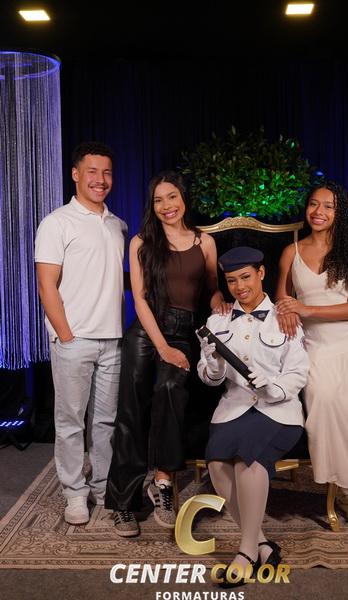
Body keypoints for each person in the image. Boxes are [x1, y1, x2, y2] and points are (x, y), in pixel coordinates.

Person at [105, 169, 230, 537]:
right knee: (131, 410)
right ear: (152, 205)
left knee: (171, 389)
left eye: (172, 197)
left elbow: (211, 288)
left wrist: (219, 298)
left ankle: (162, 483)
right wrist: (162, 346)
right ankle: (123, 504)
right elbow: (140, 299)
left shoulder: (205, 242)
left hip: (183, 329)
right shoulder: (141, 242)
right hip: (147, 330)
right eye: (158, 200)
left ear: (183, 198)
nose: (166, 205)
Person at [197, 246, 309, 588]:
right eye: (231, 280)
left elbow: (298, 373)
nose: (239, 286)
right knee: (217, 462)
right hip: (233, 408)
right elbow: (209, 378)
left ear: (261, 273)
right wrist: (214, 364)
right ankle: (262, 543)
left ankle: (245, 552)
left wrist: (272, 387)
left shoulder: (284, 317)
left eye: (246, 277)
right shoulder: (216, 322)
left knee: (249, 458)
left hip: (278, 411)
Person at [275, 180, 348, 540]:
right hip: (313, 347)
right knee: (322, 400)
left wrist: (305, 309)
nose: (318, 212)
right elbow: (281, 302)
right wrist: (288, 313)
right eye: (313, 204)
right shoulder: (290, 252)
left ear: (340, 213)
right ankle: (332, 479)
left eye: (328, 206)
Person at [35, 141, 127, 525]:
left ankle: (103, 486)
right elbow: (46, 285)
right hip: (74, 341)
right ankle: (74, 493)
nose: (100, 180)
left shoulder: (118, 225)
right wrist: (66, 336)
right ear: (76, 174)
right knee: (70, 422)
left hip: (113, 340)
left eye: (107, 173)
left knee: (105, 422)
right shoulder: (57, 222)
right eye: (92, 172)